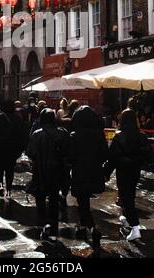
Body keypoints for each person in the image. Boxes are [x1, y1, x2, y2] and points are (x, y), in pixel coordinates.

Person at [104, 109, 150, 241]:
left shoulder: (119, 136)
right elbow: (147, 155)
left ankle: (135, 227)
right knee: (130, 195)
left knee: (126, 197)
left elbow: (112, 157)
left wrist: (106, 172)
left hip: (123, 170)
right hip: (135, 170)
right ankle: (128, 220)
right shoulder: (142, 136)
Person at [26, 108, 69, 241]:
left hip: (40, 171)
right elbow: (68, 152)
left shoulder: (36, 134)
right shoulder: (62, 133)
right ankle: (54, 230)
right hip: (57, 172)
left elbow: (30, 152)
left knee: (40, 198)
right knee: (54, 200)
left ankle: (45, 224)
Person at [69, 106, 108, 249]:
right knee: (83, 202)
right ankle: (82, 226)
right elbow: (105, 154)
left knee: (82, 201)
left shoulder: (74, 135)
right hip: (95, 172)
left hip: (79, 172)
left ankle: (92, 228)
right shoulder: (99, 134)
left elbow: (71, 156)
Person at [0, 100, 27, 198]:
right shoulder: (17, 118)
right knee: (9, 169)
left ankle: (1, 185)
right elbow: (23, 134)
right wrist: (22, 148)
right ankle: (9, 190)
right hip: (12, 149)